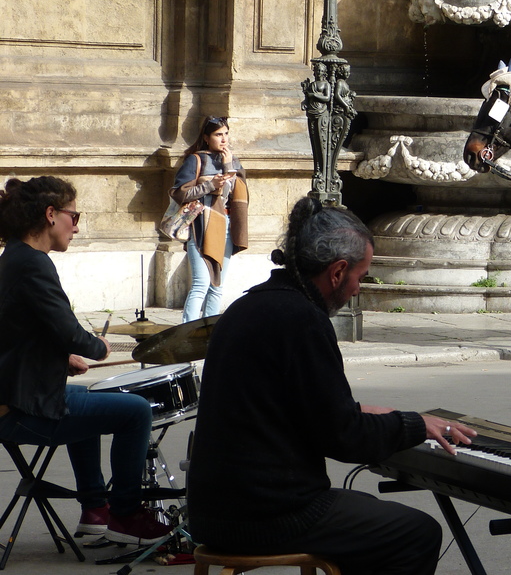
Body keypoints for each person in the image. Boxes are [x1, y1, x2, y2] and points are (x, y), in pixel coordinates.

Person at [187, 199, 476, 575]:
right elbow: (343, 438)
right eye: (361, 276)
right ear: (338, 271)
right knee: (415, 532)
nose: (358, 288)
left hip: (214, 511)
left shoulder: (247, 308)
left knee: (366, 522)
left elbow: (293, 410)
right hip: (267, 515)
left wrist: (374, 414)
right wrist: (414, 426)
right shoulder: (303, 320)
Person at [0, 176, 173, 544]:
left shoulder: (15, 257)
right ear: (51, 215)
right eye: (73, 216)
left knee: (93, 402)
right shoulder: (33, 264)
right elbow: (69, 331)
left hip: (20, 396)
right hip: (21, 410)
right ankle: (125, 515)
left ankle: (95, 509)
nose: (76, 226)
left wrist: (62, 359)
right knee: (136, 411)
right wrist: (97, 347)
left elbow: (18, 334)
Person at [170, 116, 249, 323]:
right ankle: (186, 336)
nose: (223, 139)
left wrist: (228, 166)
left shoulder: (234, 160)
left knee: (217, 286)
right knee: (201, 284)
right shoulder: (196, 159)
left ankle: (208, 339)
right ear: (206, 137)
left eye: (226, 133)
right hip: (201, 227)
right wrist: (210, 185)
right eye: (218, 134)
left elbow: (236, 195)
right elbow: (180, 194)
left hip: (226, 226)